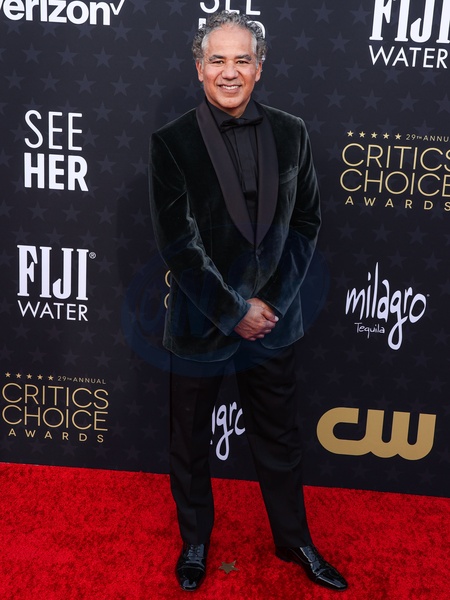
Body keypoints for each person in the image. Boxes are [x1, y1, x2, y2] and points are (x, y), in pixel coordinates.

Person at [149, 10, 348, 593]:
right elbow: (178, 243)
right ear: (199, 68)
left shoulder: (293, 131)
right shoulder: (171, 143)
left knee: (280, 437)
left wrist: (270, 305)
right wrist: (234, 310)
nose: (229, 71)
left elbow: (306, 221)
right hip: (200, 321)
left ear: (260, 68)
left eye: (242, 59)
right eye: (218, 59)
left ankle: (294, 540)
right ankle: (195, 540)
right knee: (189, 440)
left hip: (275, 322)